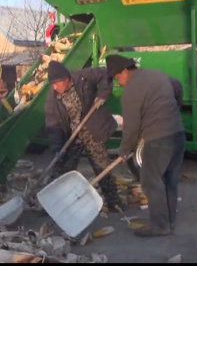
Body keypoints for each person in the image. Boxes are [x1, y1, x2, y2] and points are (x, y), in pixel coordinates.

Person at [106, 55, 185, 238]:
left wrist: (124, 150)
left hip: (158, 139)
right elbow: (177, 86)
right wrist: (173, 110)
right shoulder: (156, 75)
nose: (119, 83)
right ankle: (169, 221)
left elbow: (131, 128)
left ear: (125, 70)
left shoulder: (131, 91)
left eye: (118, 78)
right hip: (177, 134)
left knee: (151, 181)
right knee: (169, 181)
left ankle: (159, 226)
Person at [44, 61, 121, 211]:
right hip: (73, 136)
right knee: (63, 170)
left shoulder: (82, 77)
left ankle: (114, 202)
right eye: (51, 84)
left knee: (102, 166)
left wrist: (103, 93)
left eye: (56, 83)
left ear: (66, 79)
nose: (54, 87)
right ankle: (56, 204)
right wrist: (58, 148)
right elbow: (54, 126)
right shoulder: (52, 100)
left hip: (93, 129)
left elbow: (106, 73)